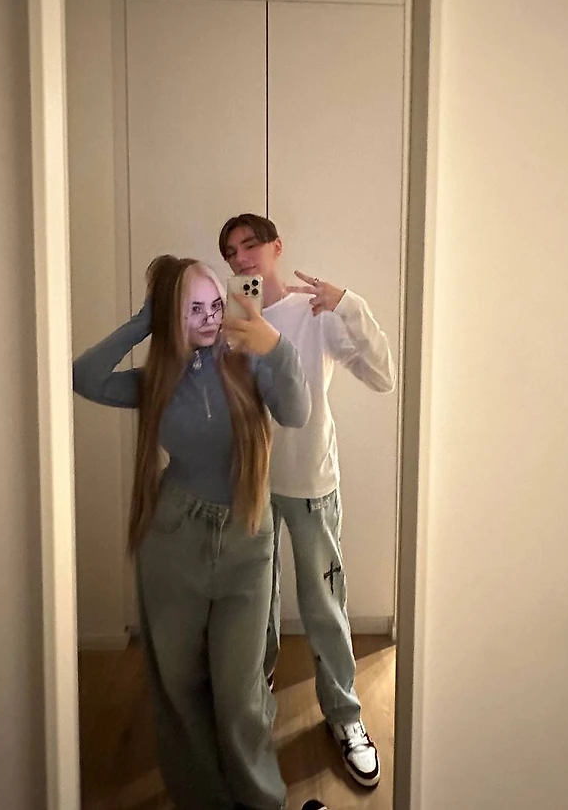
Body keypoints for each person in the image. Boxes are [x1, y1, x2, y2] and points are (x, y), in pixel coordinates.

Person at [72, 255, 311, 810]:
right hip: (173, 538)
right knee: (178, 685)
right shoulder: (156, 380)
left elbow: (297, 411)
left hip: (246, 539)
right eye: (193, 309)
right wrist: (145, 320)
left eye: (215, 305)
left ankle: (261, 800)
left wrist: (275, 345)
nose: (209, 318)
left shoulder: (247, 361)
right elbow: (85, 376)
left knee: (239, 691)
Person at [218, 215, 396, 789]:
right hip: (253, 482)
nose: (241, 258)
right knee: (255, 600)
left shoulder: (313, 312)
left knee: (324, 603)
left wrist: (347, 303)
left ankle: (344, 715)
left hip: (312, 482)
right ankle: (258, 690)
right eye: (231, 252)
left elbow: (383, 376)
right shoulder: (232, 316)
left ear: (276, 247)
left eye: (250, 245)